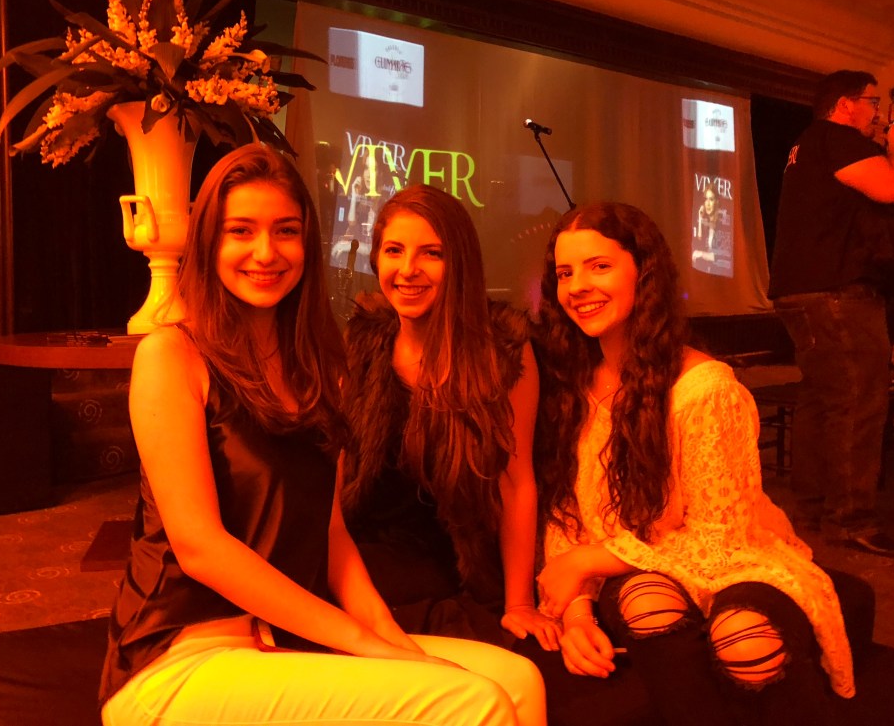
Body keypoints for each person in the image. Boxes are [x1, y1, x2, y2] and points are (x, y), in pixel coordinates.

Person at [99, 145, 544, 726]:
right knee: (476, 702)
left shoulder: (318, 369)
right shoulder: (171, 354)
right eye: (241, 231)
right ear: (208, 242)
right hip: (180, 653)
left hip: (279, 641)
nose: (266, 252)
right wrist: (362, 642)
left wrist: (388, 637)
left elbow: (333, 537)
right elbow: (200, 546)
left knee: (517, 681)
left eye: (285, 231)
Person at [534, 202, 853, 726]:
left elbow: (719, 540)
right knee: (647, 601)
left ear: (644, 272)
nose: (578, 286)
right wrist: (575, 614)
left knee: (745, 639)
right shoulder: (571, 387)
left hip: (732, 561)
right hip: (637, 575)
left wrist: (591, 560)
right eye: (565, 273)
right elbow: (566, 515)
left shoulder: (703, 388)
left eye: (599, 266)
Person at [341, 184, 559, 655]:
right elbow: (337, 471)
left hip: (456, 560)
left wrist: (520, 603)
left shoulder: (502, 349)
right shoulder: (363, 344)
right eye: (394, 250)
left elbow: (517, 483)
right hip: (371, 547)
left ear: (459, 262)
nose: (408, 269)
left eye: (431, 253)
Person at [768, 69, 894, 556]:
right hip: (835, 293)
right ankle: (850, 519)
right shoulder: (836, 138)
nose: (878, 114)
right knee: (858, 402)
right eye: (873, 103)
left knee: (822, 401)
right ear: (846, 104)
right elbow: (893, 189)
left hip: (800, 291)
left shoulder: (805, 144)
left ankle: (812, 507)